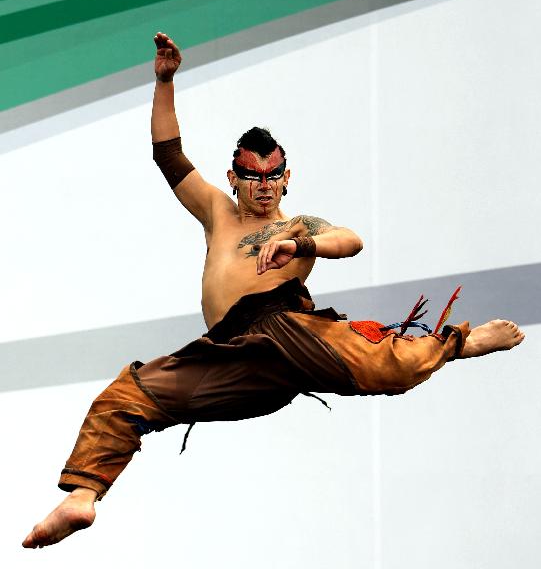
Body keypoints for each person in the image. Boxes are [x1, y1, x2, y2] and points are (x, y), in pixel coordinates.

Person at [23, 33, 525, 549]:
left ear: (286, 179)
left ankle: (460, 343)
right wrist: (165, 81)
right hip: (227, 354)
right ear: (233, 178)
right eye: (251, 175)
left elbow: (349, 240)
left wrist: (301, 244)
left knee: (385, 369)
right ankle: (82, 496)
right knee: (127, 394)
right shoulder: (218, 213)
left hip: (287, 330)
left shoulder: (298, 224)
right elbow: (167, 153)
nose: (262, 185)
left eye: (272, 176)